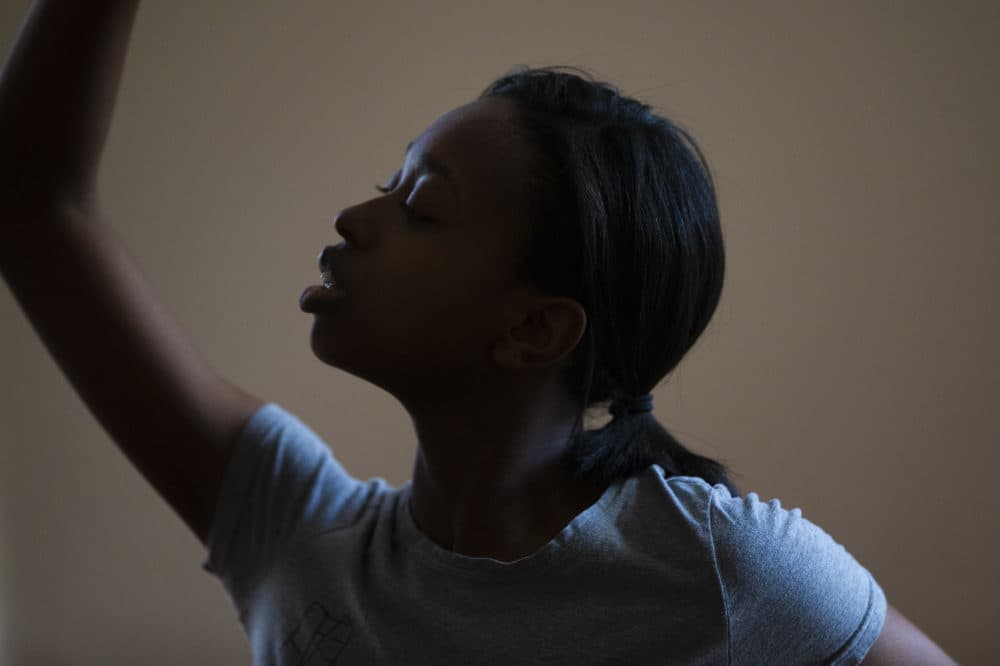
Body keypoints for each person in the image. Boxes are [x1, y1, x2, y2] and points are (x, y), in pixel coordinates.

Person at [0, 1, 956, 664]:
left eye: (419, 208)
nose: (352, 220)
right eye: (388, 187)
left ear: (537, 329)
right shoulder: (294, 532)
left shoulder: (721, 565)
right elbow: (30, 208)